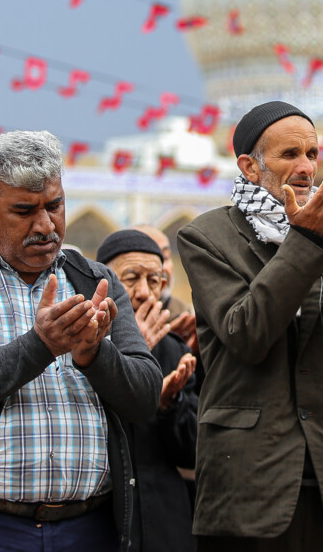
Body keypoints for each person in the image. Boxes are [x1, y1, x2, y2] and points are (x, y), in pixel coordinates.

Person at [0, 130, 160, 551]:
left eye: (54, 206)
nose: (45, 225)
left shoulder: (96, 280)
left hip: (90, 527)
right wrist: (41, 345)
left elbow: (145, 395)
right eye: (24, 211)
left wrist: (95, 355)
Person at [178, 100, 323, 550]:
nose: (305, 167)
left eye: (312, 154)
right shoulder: (208, 236)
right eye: (289, 154)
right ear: (250, 168)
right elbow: (247, 334)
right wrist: (309, 240)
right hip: (250, 486)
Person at [97, 228, 198, 552]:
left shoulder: (175, 350)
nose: (143, 292)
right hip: (103, 522)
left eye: (154, 281)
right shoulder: (84, 346)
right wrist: (128, 355)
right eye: (131, 278)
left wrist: (170, 404)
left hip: (165, 523)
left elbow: (193, 450)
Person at [134, 224, 193, 320]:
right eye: (149, 257)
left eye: (165, 257)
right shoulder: (111, 317)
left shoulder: (184, 315)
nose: (161, 268)